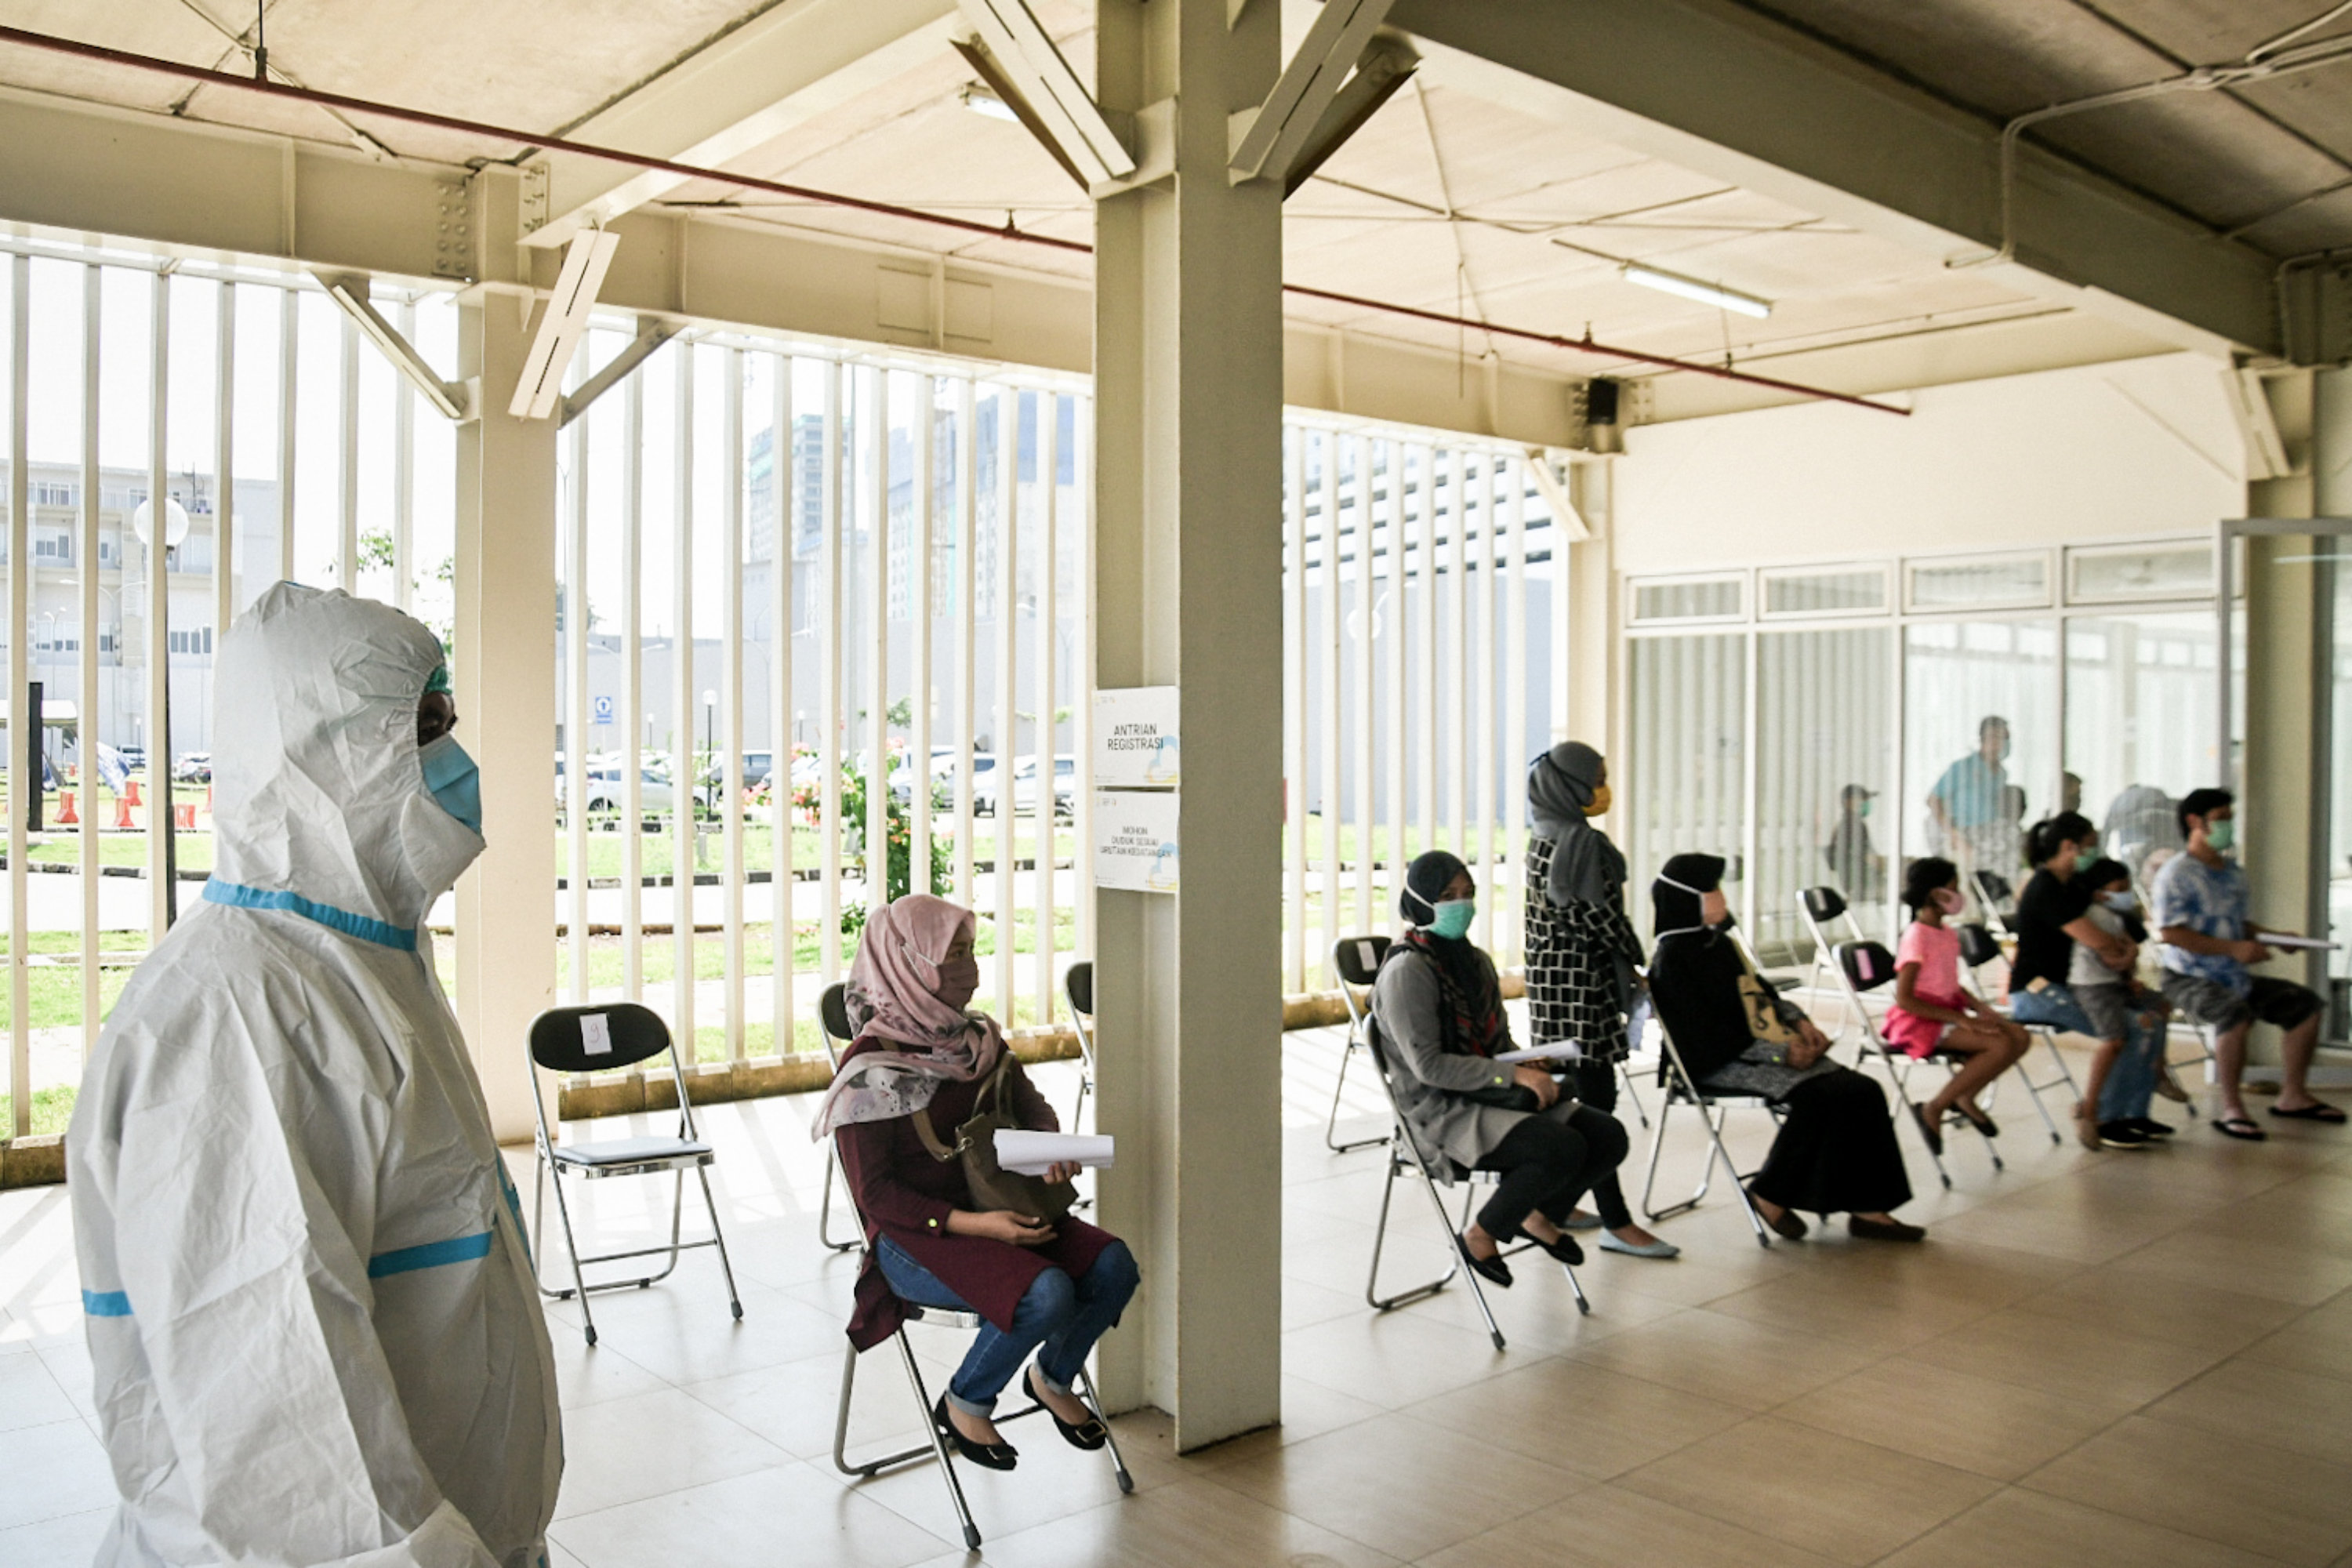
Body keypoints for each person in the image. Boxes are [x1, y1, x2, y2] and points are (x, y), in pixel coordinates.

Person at [67, 583, 561, 1568]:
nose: (454, 766)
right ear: (324, 751)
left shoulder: (356, 966)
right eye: (421, 731)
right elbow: (297, 1457)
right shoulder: (234, 1017)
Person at [822, 895, 1138, 1470]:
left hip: (1002, 1207)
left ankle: (1052, 1377)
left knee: (1115, 1265)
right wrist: (975, 1225)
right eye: (952, 955)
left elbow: (1032, 1107)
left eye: (971, 951)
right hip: (918, 1238)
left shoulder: (975, 1040)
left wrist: (1047, 1152)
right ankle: (966, 1400)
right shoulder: (871, 1070)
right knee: (1046, 1294)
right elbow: (878, 1197)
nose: (969, 968)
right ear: (906, 963)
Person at [1372, 850, 1630, 1287]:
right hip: (1442, 1110)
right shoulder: (1407, 971)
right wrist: (1513, 1075)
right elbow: (1430, 1067)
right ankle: (1481, 1234)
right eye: (1448, 895)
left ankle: (1535, 1211)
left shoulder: (1474, 963)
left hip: (1489, 1093)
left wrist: (1524, 1060)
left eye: (1468, 894)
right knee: (1559, 1146)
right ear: (1419, 901)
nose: (1461, 905)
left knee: (1607, 1136)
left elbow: (1495, 1045)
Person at [1646, 854, 1923, 1242]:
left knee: (1863, 1091)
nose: (1722, 897)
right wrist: (1781, 1054)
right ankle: (1768, 1194)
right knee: (1820, 1097)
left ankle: (1869, 1209)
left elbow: (1763, 994)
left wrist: (1801, 1023)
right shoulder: (1672, 961)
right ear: (1687, 897)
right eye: (1713, 890)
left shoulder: (1720, 945)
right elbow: (1708, 1038)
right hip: (1718, 1063)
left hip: (1762, 1049)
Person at [1523, 742, 1679, 1259]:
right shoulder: (1577, 843)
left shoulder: (1543, 834)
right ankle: (1602, 1218)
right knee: (1597, 1103)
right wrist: (1637, 956)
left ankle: (1558, 1203)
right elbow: (1597, 917)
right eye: (1596, 779)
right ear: (1570, 786)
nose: (1602, 789)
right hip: (1580, 986)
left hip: (1550, 983)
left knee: (1577, 1096)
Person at [2154, 787, 2342, 1140]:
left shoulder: (2232, 872)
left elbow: (2237, 925)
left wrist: (2275, 938)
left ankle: (2293, 1095)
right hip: (2188, 975)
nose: (2228, 825)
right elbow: (2171, 933)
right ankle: (2232, 1107)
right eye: (2221, 819)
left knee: (2306, 1007)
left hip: (2233, 974)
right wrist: (2233, 949)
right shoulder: (2177, 873)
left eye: (2229, 818)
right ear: (2195, 822)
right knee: (2233, 1015)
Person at [2002, 811, 2167, 1149]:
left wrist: (2125, 961)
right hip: (2037, 991)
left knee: (2154, 1016)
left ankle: (2133, 1112)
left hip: (2078, 984)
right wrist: (2121, 953)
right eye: (2090, 846)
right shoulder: (2046, 887)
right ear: (2069, 846)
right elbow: (2095, 938)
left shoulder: (2073, 884)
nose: (2094, 853)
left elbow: (2121, 928)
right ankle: (2104, 1116)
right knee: (2133, 1027)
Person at [1882, 856, 2032, 1155]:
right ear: (1935, 894)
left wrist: (1978, 1008)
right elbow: (1906, 998)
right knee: (1999, 1045)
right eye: (1953, 888)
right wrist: (1962, 1020)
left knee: (2019, 1036)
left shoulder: (1946, 933)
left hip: (1948, 1010)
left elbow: (1949, 982)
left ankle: (1965, 1097)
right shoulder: (1916, 936)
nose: (1959, 894)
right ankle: (1934, 1108)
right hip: (1921, 1019)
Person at [2065, 857, 2176, 1149]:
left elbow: (2127, 953)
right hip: (2095, 988)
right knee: (2116, 1039)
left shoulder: (2115, 916)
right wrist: (2128, 957)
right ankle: (2091, 1111)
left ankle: (2157, 1074)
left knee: (2159, 1007)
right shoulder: (2097, 915)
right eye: (2120, 887)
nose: (2127, 892)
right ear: (2101, 892)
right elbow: (2115, 957)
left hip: (2115, 984)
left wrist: (2129, 964)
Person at [1927, 714, 2011, 861]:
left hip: (1991, 832)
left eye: (2005, 738)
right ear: (1985, 739)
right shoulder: (1963, 768)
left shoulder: (2002, 773)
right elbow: (1933, 800)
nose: (2001, 743)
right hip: (1963, 833)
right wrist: (1953, 835)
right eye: (1996, 737)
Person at [1823, 782, 1885, 903]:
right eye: (1863, 800)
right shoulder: (1853, 826)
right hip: (1863, 883)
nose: (1866, 803)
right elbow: (1868, 857)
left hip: (1856, 883)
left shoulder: (1846, 824)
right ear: (1849, 802)